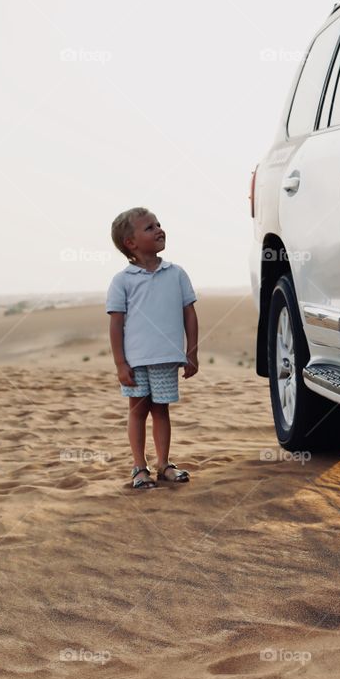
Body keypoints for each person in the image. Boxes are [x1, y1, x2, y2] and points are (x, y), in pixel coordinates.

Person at [106, 208, 199, 489]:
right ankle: (139, 467)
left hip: (167, 357)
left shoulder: (177, 273)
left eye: (159, 224)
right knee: (137, 410)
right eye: (149, 227)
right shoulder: (122, 280)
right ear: (130, 243)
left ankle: (164, 464)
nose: (159, 229)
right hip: (135, 361)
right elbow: (115, 324)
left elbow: (190, 314)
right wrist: (120, 363)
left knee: (161, 410)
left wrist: (191, 352)